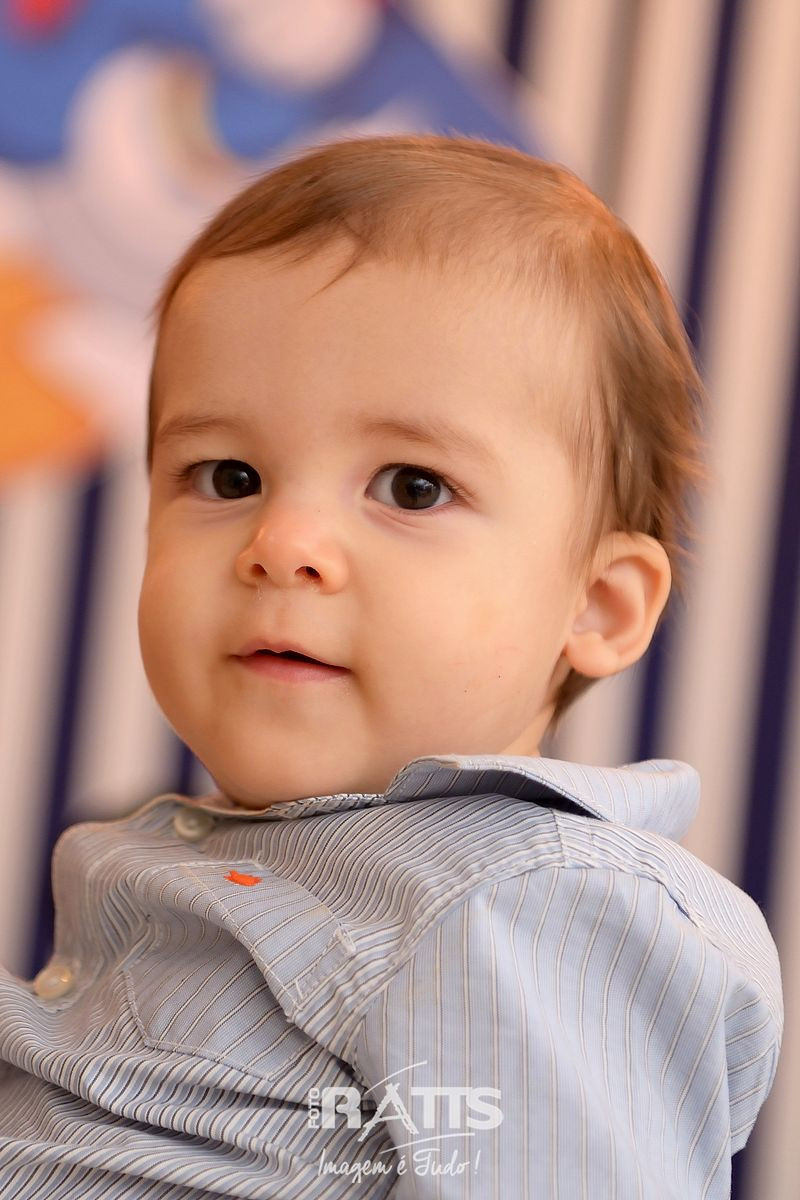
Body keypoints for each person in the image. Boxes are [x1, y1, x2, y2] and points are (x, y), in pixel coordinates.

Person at [0, 134, 782, 1198]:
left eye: (412, 487)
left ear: (595, 605)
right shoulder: (231, 864)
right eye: (227, 475)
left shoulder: (525, 908)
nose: (282, 543)